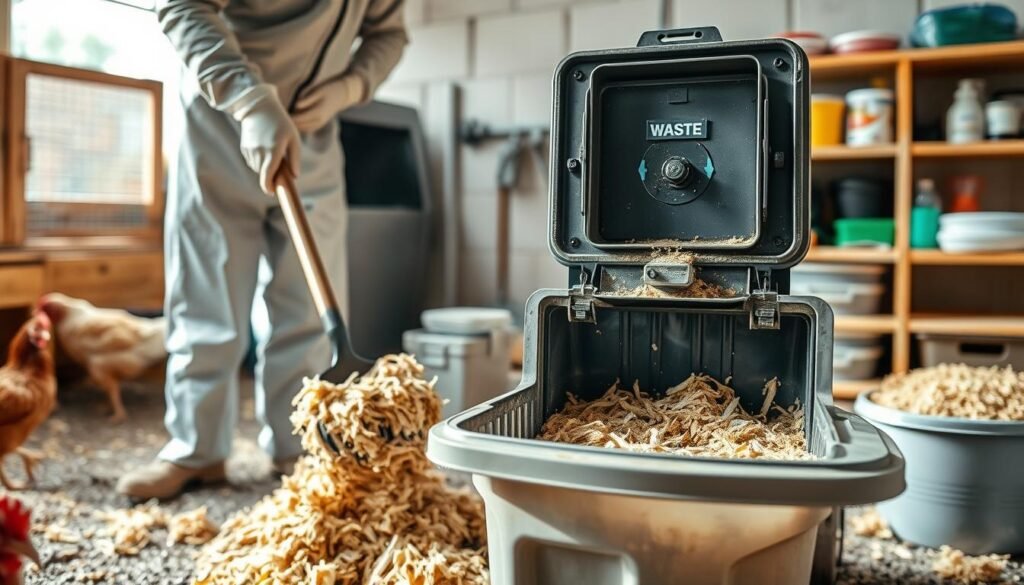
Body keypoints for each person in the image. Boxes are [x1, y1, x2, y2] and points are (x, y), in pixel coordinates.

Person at [118, 0, 408, 500]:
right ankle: (197, 448)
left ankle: (297, 448)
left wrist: (348, 88)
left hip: (312, 138)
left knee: (306, 308)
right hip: (222, 124)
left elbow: (389, 36)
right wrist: (250, 101)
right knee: (207, 296)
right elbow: (184, 6)